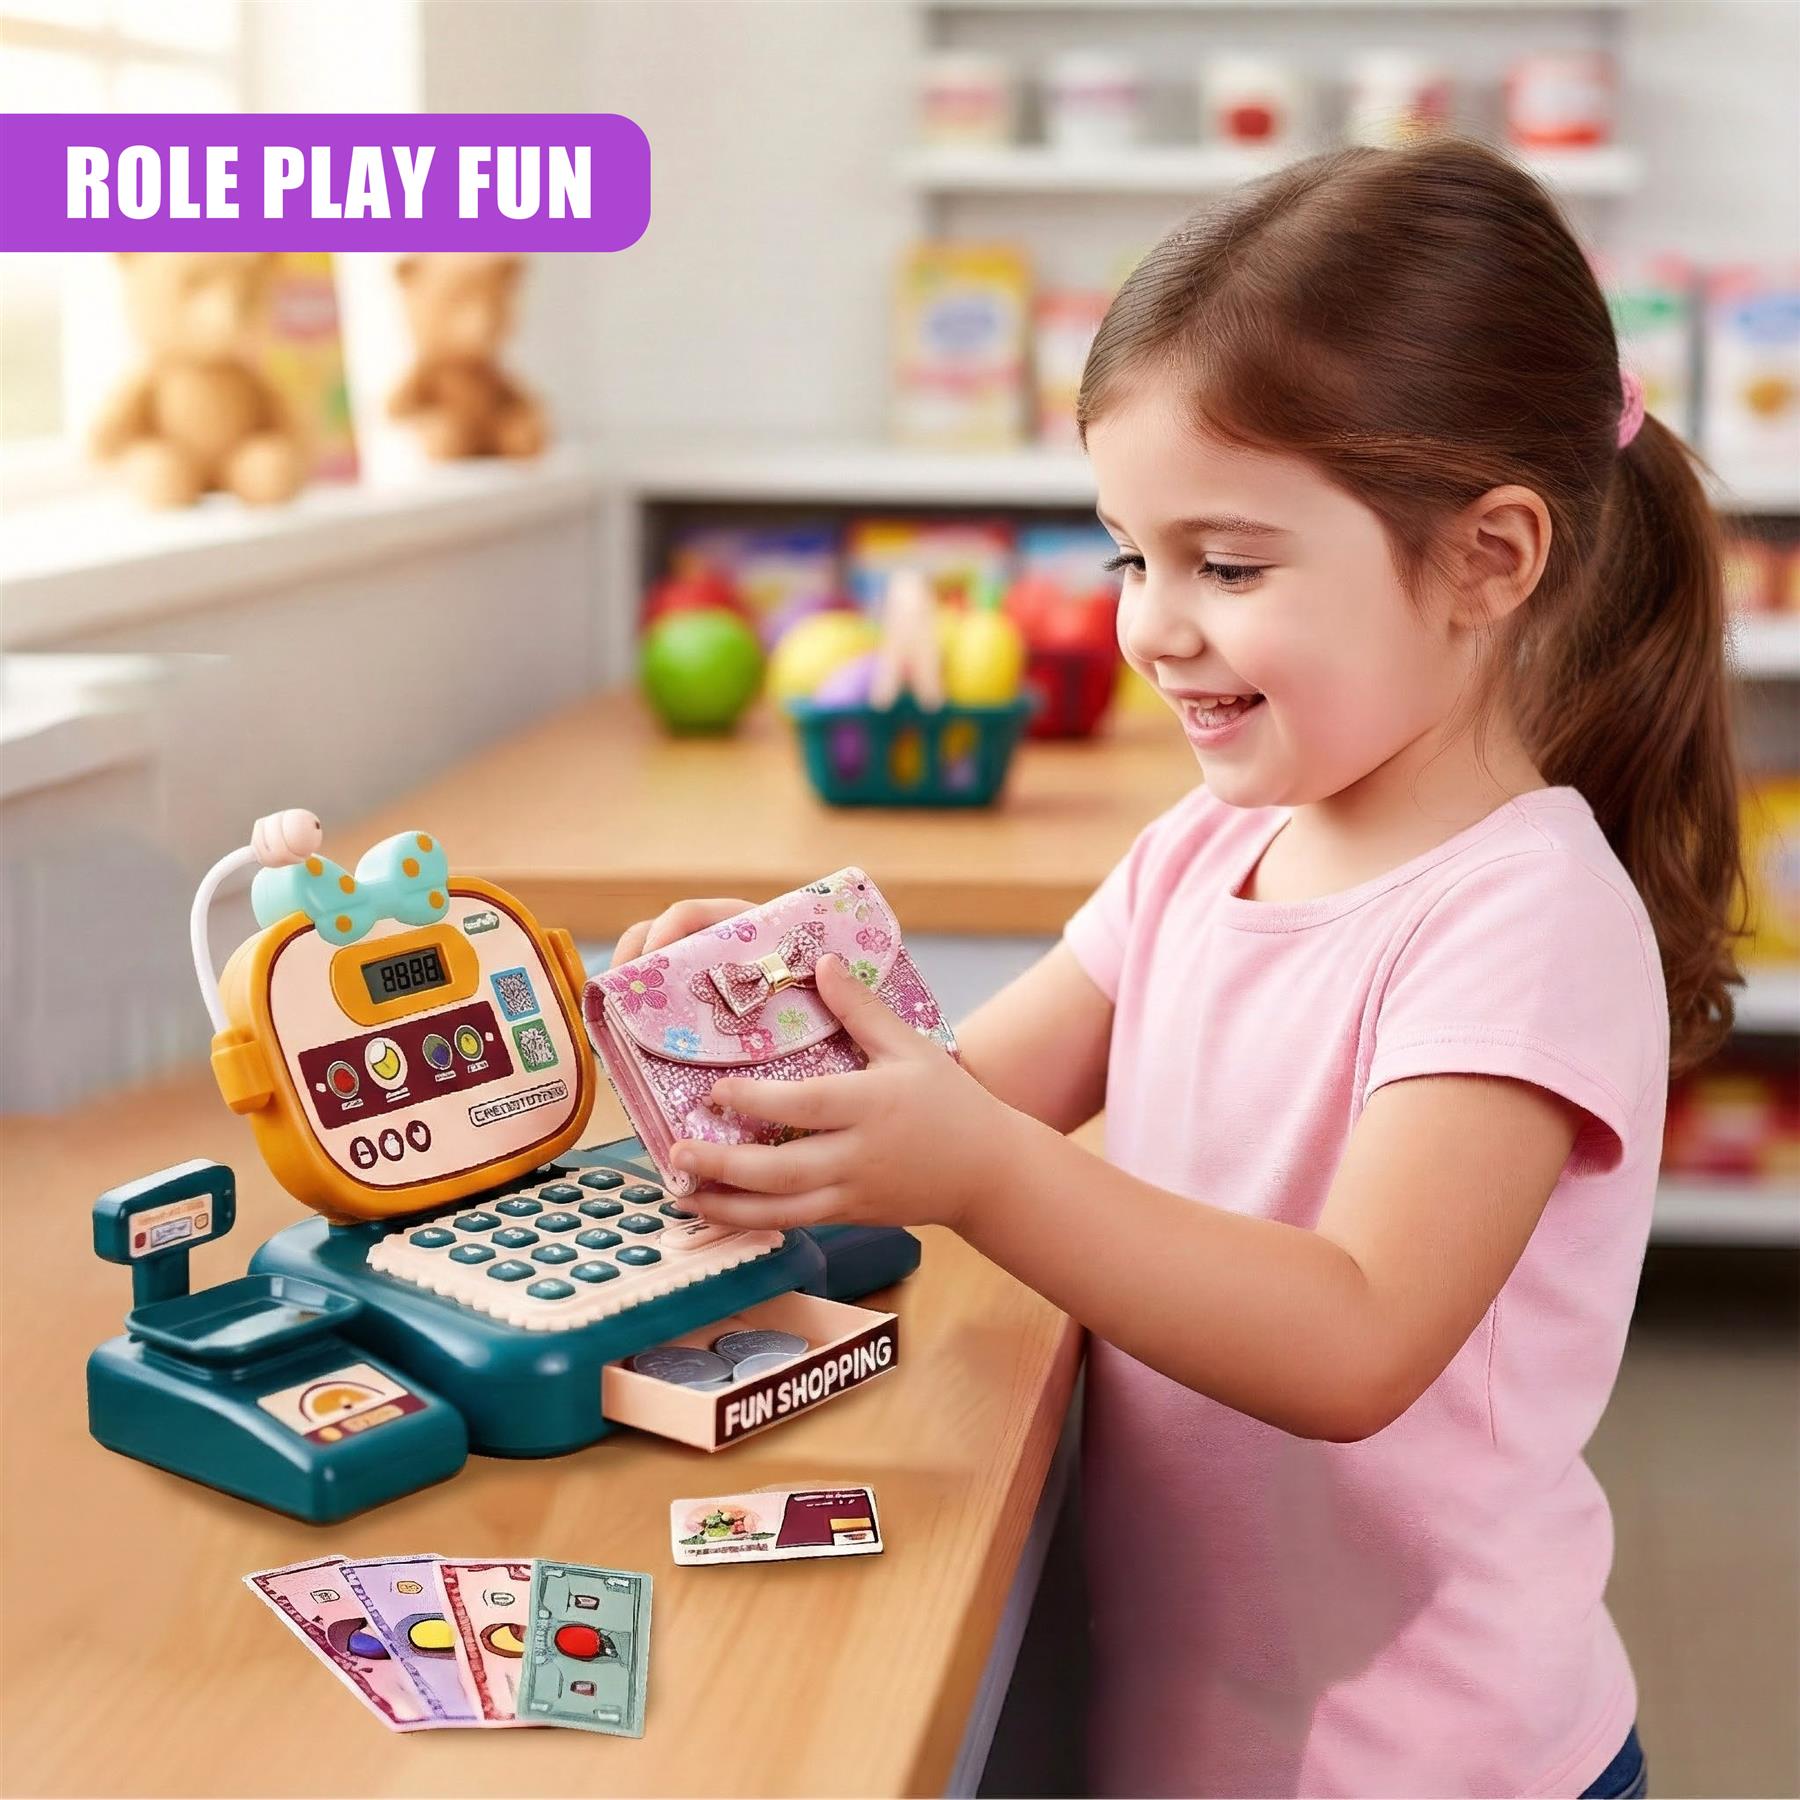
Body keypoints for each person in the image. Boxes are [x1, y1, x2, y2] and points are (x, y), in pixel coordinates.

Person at [612, 137, 1741, 1798]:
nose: (1149, 624)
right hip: (1198, 1734)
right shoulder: (1202, 853)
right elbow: (950, 1105)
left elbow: (1350, 1342)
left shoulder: (1524, 922)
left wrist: (981, 1170)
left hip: (1436, 1764)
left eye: (1229, 564)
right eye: (1131, 553)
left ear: (1491, 561)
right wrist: (750, 1020)